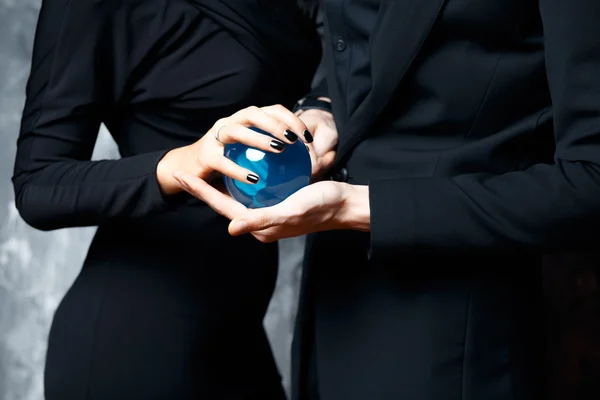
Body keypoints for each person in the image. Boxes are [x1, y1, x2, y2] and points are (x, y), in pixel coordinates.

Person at [176, 0, 600, 399]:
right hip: (334, 302)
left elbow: (590, 182)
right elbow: (367, 50)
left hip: (451, 336)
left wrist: (357, 207)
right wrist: (323, 108)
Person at [12, 0, 323, 398]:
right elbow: (37, 184)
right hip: (136, 340)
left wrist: (322, 108)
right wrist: (183, 163)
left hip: (237, 331)